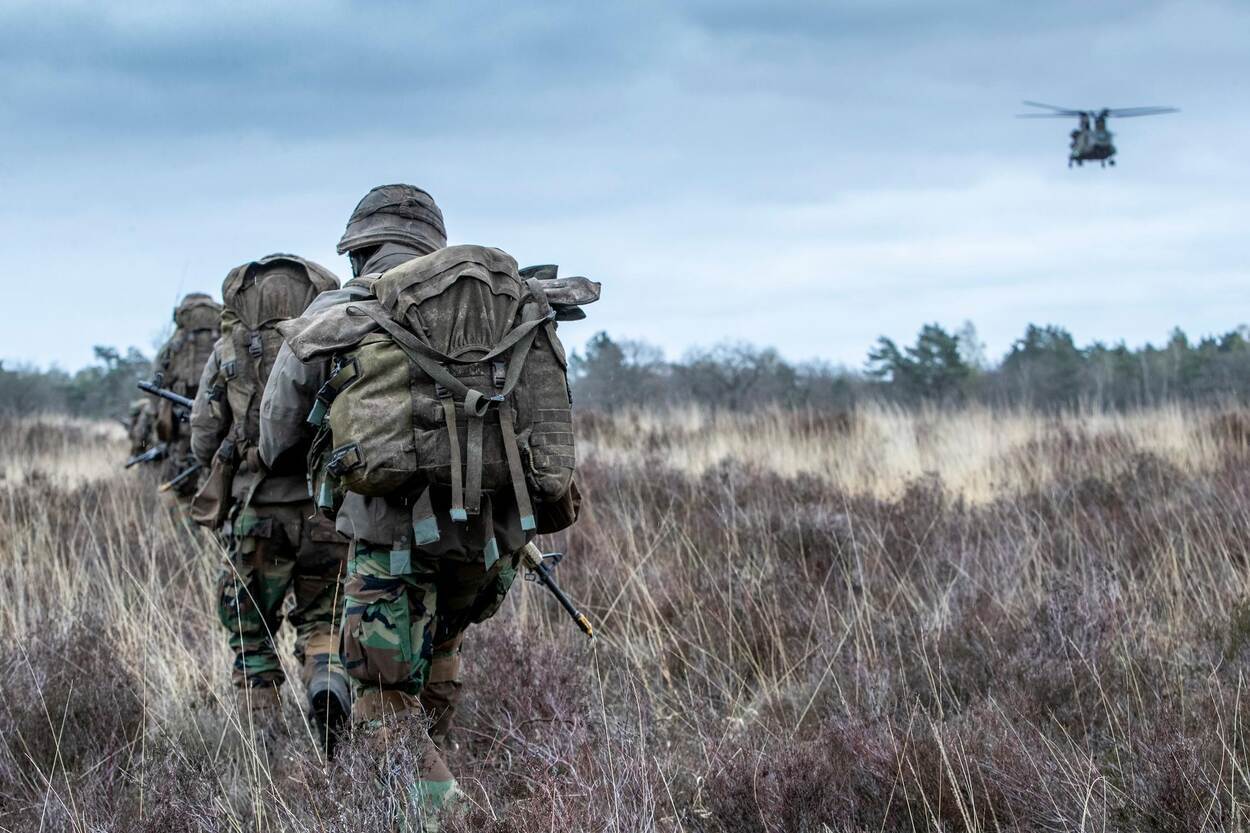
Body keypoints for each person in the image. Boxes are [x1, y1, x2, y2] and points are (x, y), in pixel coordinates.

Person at [260, 185, 581, 827]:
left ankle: (439, 815)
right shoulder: (508, 305)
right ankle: (430, 781)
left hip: (391, 542)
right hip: (491, 542)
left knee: (382, 700)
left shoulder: (348, 307)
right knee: (438, 658)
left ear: (359, 251)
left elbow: (276, 435)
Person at [188, 254, 351, 750]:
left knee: (250, 628)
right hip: (328, 513)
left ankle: (266, 746)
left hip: (259, 515)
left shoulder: (230, 350)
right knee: (325, 620)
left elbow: (202, 434)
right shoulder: (338, 338)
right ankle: (325, 681)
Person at [152, 293, 221, 504]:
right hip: (218, 418)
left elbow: (157, 382)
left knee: (182, 475)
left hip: (183, 422)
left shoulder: (175, 345)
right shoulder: (223, 339)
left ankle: (184, 521)